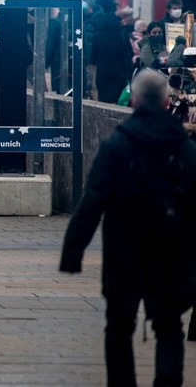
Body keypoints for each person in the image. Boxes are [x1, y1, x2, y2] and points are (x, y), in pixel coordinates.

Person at [61, 70, 196, 386]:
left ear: (134, 100)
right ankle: (167, 380)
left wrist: (73, 252)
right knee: (169, 325)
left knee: (119, 325)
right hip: (171, 252)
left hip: (125, 250)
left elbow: (93, 198)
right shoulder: (184, 147)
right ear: (166, 102)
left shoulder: (117, 144)